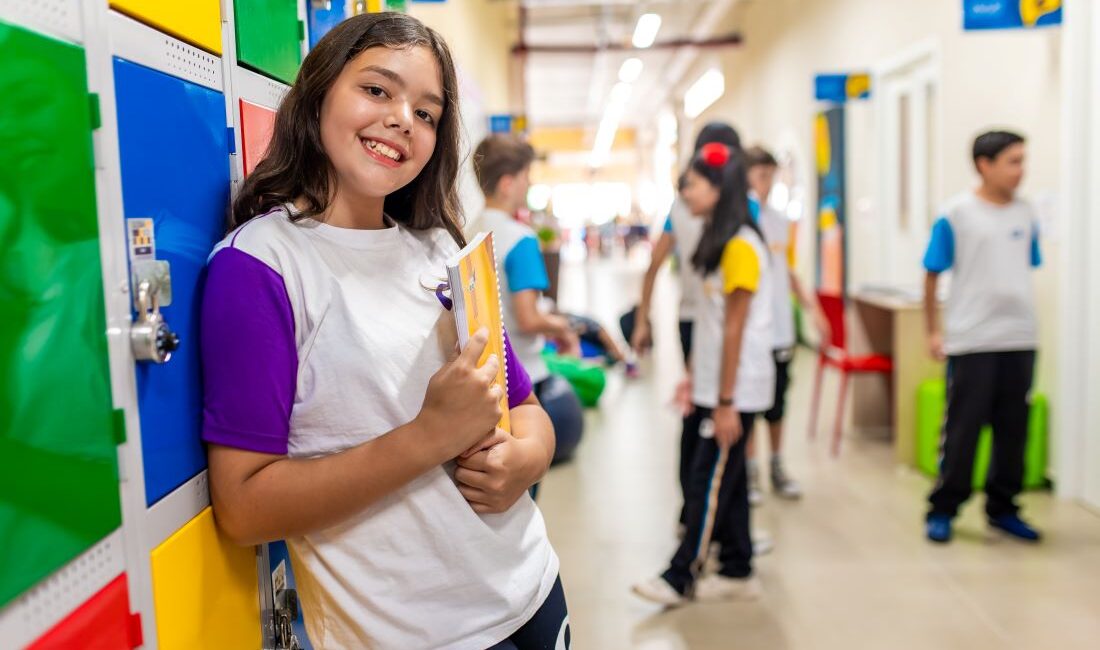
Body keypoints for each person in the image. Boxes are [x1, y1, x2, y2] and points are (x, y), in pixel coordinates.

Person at [200, 14, 569, 648]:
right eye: (377, 90)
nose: (403, 119)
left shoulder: (439, 252)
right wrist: (428, 437)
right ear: (317, 93)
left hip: (532, 587)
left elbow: (525, 405)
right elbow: (243, 508)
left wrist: (528, 456)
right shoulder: (260, 266)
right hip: (411, 633)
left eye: (427, 114)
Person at [633, 141, 773, 606]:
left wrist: (728, 401)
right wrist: (695, 375)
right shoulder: (719, 240)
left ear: (716, 188)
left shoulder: (741, 247)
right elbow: (713, 326)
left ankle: (681, 576)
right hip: (717, 382)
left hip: (736, 390)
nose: (684, 196)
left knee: (706, 481)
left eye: (689, 185)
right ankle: (737, 566)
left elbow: (735, 330)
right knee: (725, 482)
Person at [923, 130, 1043, 545]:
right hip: (972, 338)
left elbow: (1027, 265)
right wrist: (932, 330)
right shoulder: (956, 213)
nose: (1020, 170)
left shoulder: (1026, 212)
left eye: (1023, 160)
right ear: (984, 164)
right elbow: (932, 270)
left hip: (1020, 336)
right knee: (962, 430)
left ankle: (1004, 508)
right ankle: (944, 508)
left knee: (1014, 431)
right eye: (1012, 161)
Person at [629, 123, 742, 529]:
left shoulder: (735, 214)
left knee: (713, 418)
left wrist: (644, 321)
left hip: (718, 323)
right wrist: (642, 321)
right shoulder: (690, 209)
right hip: (704, 323)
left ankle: (714, 512)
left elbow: (654, 267)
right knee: (709, 416)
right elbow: (654, 265)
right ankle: (700, 511)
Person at [743, 146, 830, 505]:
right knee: (750, 402)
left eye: (771, 176)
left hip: (780, 329)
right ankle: (749, 471)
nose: (766, 184)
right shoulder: (739, 220)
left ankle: (776, 464)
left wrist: (813, 310)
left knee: (778, 402)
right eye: (760, 176)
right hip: (751, 331)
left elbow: (788, 270)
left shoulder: (780, 220)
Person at [467, 134, 580, 401]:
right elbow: (528, 319)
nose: (529, 183)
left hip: (485, 377)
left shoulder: (466, 232)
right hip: (524, 378)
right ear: (507, 184)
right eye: (525, 175)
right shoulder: (521, 239)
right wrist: (563, 329)